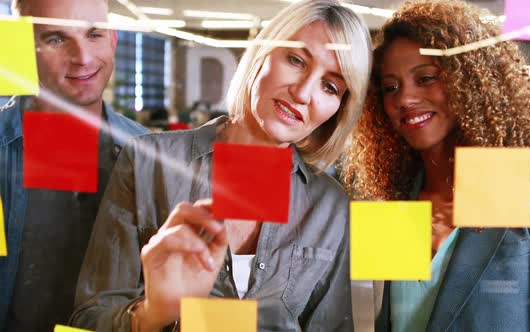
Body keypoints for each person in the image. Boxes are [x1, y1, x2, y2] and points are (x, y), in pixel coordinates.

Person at [70, 0, 372, 331]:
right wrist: (153, 311)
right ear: (262, 54)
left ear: (339, 109)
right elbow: (87, 321)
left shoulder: (330, 206)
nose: (302, 93)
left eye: (330, 86)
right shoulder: (147, 162)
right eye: (297, 60)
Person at [343, 1, 530, 331]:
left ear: (471, 85)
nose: (404, 99)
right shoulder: (392, 199)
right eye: (391, 86)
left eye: (426, 78)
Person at [0, 0, 149, 330]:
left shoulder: (150, 154)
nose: (82, 58)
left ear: (113, 38)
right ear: (23, 47)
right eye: (56, 39)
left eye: (94, 34)